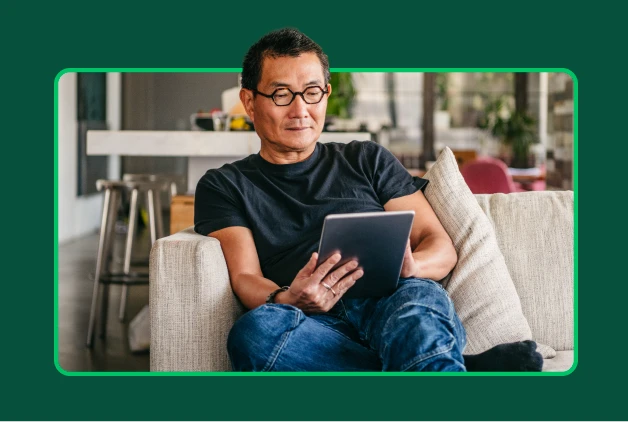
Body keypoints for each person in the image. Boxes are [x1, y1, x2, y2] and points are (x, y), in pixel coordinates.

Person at [194, 28, 543, 372]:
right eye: (282, 94)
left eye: (312, 92)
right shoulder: (224, 184)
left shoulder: (366, 159)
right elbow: (245, 276)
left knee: (417, 308)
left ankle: (427, 356)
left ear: (326, 94)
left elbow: (438, 244)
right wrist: (288, 298)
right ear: (250, 102)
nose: (300, 109)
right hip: (311, 321)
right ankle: (442, 363)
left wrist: (414, 268)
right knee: (254, 335)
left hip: (394, 301)